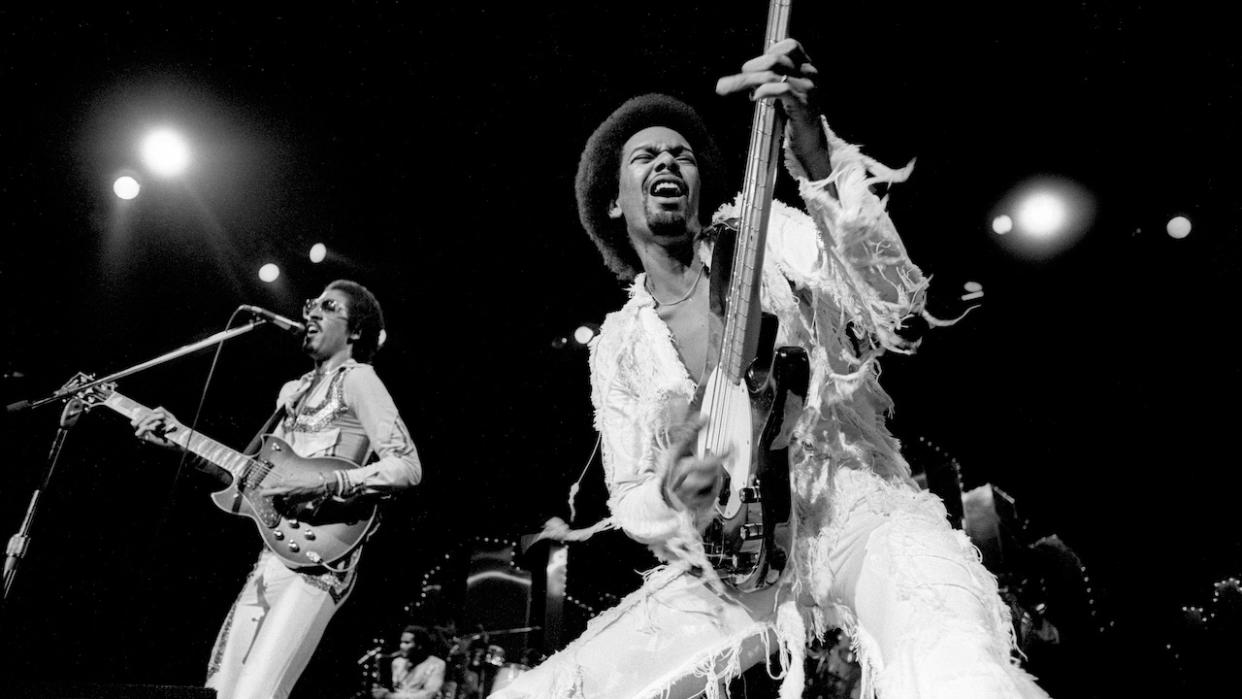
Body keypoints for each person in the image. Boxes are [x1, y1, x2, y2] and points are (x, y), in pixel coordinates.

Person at [492, 39, 1050, 699]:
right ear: (615, 203)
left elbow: (889, 293)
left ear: (701, 182)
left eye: (682, 154)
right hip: (732, 561)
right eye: (645, 155)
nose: (668, 160)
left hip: (855, 504)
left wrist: (813, 147)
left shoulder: (762, 235)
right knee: (554, 690)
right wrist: (676, 492)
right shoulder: (619, 344)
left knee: (956, 660)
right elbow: (630, 495)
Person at [133, 279, 422, 699]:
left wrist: (323, 480)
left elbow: (407, 467)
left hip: (321, 563)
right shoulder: (294, 390)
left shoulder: (359, 380)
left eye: (328, 307)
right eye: (311, 305)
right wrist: (180, 441)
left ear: (355, 330)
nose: (312, 313)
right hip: (273, 555)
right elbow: (252, 478)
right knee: (221, 687)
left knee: (257, 693)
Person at [373, 625, 447, 699]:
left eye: (407, 643)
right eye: (401, 642)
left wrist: (390, 696)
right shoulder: (397, 662)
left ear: (419, 645)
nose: (401, 646)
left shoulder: (437, 664)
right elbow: (398, 689)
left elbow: (429, 695)